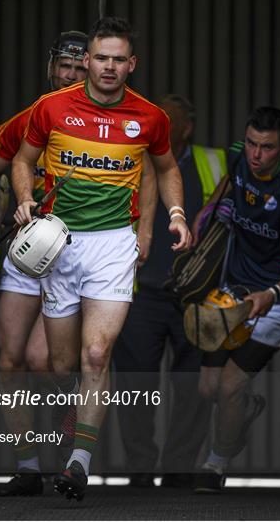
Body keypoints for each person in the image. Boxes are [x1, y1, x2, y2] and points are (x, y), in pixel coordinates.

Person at [12, 16, 191, 501]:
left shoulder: (151, 118)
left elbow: (167, 167)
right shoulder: (51, 108)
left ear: (130, 64)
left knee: (97, 354)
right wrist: (26, 198)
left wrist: (175, 213)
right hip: (59, 244)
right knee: (61, 365)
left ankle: (77, 463)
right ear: (87, 61)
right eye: (101, 58)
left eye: (119, 59)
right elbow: (22, 160)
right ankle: (70, 415)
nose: (109, 67)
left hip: (113, 245)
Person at [0, 31, 89, 497]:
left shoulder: (101, 125)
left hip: (70, 254)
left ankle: (69, 418)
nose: (73, 77)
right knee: (10, 360)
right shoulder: (28, 119)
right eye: (67, 67)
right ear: (51, 68)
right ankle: (27, 468)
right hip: (23, 253)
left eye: (81, 71)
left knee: (46, 362)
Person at [193, 106, 280, 493]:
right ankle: (243, 411)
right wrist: (211, 209)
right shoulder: (237, 154)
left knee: (229, 386)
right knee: (208, 389)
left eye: (267, 147)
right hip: (232, 289)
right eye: (253, 144)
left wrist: (273, 293)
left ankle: (215, 464)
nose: (256, 155)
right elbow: (227, 185)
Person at [113, 94, 227, 488]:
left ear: (186, 128)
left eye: (167, 121)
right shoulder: (131, 161)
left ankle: (179, 467)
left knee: (193, 386)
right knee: (134, 384)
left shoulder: (215, 165)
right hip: (139, 291)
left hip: (194, 295)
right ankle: (140, 467)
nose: (156, 126)